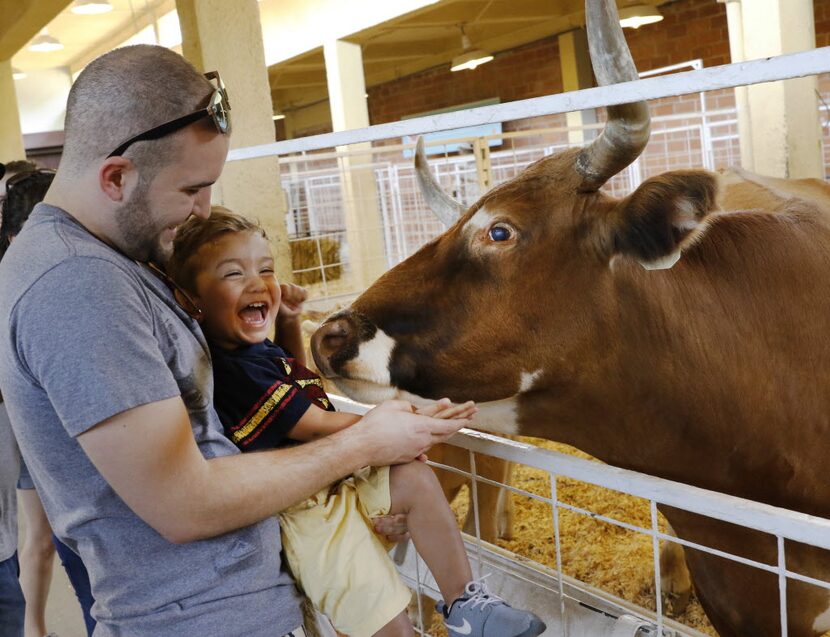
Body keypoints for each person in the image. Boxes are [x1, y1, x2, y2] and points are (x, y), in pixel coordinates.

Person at [0, 44, 469, 637]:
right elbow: (184, 503)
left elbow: (217, 440)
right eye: (192, 189)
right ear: (116, 177)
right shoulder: (77, 285)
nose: (203, 209)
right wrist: (361, 446)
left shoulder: (116, 260)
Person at [166, 207, 547, 637]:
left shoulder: (253, 353)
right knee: (390, 624)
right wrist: (403, 422)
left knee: (413, 476)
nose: (259, 283)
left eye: (266, 269)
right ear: (191, 299)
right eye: (234, 274)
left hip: (335, 483)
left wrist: (289, 322)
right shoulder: (233, 371)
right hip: (310, 520)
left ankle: (465, 604)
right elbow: (314, 423)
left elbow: (296, 376)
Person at [1, 165, 97, 637]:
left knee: (48, 537)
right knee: (35, 539)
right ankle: (33, 626)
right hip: (20, 423)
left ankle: (33, 626)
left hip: (36, 421)